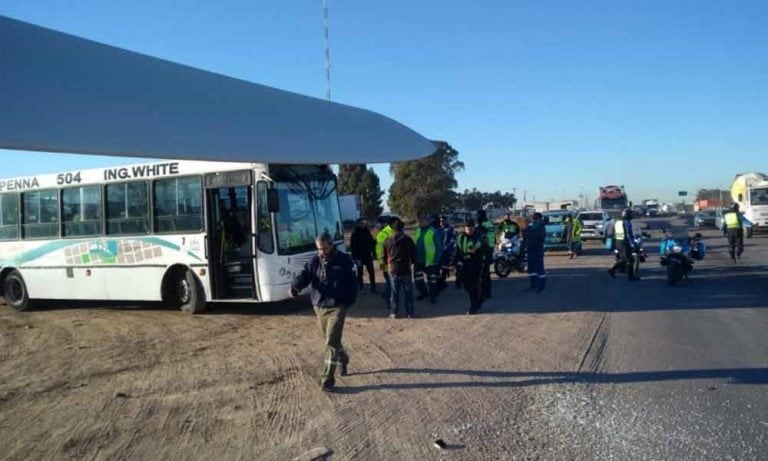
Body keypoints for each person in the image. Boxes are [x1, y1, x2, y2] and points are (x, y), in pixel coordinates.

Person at [289, 234, 358, 392]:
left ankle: (328, 379)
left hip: (338, 306)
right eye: (319, 248)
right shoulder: (314, 261)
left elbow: (353, 283)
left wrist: (348, 302)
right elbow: (304, 275)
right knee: (328, 339)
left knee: (331, 342)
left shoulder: (344, 260)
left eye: (324, 248)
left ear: (331, 245)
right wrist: (295, 287)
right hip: (320, 306)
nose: (322, 251)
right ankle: (343, 357)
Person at [383, 218, 416, 318]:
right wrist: (413, 262)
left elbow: (384, 255)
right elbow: (413, 254)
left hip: (393, 269)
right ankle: (410, 312)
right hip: (405, 269)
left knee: (394, 292)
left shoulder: (387, 240)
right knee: (408, 292)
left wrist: (385, 264)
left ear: (393, 228)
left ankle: (394, 312)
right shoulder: (408, 240)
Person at [454, 219, 488, 314]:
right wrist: (454, 262)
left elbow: (481, 248)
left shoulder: (478, 237)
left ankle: (474, 307)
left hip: (476, 263)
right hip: (464, 264)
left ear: (474, 228)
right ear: (465, 228)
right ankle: (480, 299)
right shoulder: (460, 237)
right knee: (467, 286)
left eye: (471, 228)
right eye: (467, 228)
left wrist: (475, 251)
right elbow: (457, 251)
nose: (469, 230)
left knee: (473, 285)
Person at [413, 214, 444, 303]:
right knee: (418, 278)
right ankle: (423, 292)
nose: (420, 222)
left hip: (431, 261)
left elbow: (439, 247)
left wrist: (436, 259)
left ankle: (433, 296)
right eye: (419, 221)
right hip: (419, 259)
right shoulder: (417, 231)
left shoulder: (433, 231)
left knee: (432, 280)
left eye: (422, 220)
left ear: (427, 221)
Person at [608, 208, 640, 281]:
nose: (632, 215)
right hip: (624, 242)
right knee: (630, 259)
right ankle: (631, 277)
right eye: (630, 214)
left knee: (624, 259)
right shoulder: (627, 222)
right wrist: (633, 244)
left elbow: (613, 232)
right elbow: (629, 234)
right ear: (627, 215)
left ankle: (612, 270)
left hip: (618, 242)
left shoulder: (617, 222)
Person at [350, 219, 377, 292]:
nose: (364, 224)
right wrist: (354, 257)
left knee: (371, 271)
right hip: (359, 256)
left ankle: (373, 287)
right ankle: (361, 287)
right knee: (360, 272)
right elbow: (352, 246)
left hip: (367, 255)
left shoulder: (367, 232)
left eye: (365, 222)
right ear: (358, 224)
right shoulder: (355, 233)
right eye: (362, 223)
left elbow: (371, 242)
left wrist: (374, 252)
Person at [524, 212, 547, 293]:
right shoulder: (532, 225)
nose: (533, 218)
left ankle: (541, 287)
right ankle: (534, 286)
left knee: (538, 269)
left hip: (536, 248)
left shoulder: (540, 226)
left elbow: (530, 235)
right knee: (532, 269)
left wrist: (529, 236)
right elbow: (526, 233)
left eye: (534, 217)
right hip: (532, 248)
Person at [375, 217, 395, 305]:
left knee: (389, 279)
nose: (377, 225)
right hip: (391, 260)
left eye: (379, 223)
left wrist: (381, 262)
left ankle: (388, 297)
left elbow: (379, 250)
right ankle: (387, 294)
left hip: (386, 261)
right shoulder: (392, 230)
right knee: (389, 279)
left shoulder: (383, 234)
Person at [476, 209, 495, 300]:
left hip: (484, 251)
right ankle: (486, 292)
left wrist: (488, 251)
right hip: (486, 251)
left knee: (484, 274)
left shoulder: (484, 225)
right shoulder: (486, 224)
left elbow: (489, 240)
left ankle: (486, 292)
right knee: (485, 273)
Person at [438, 215, 457, 291]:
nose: (441, 222)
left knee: (444, 266)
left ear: (446, 221)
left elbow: (453, 239)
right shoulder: (439, 229)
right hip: (440, 251)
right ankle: (442, 280)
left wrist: (447, 247)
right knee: (440, 266)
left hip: (447, 251)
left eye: (443, 221)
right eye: (440, 221)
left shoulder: (450, 229)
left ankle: (443, 282)